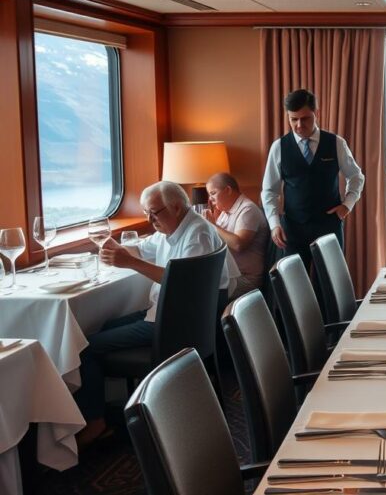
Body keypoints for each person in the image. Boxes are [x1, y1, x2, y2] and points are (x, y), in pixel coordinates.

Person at [74, 181, 238, 446]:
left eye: (154, 213)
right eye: (146, 213)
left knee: (86, 347)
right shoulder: (172, 229)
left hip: (176, 325)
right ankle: (128, 405)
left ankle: (96, 421)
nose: (150, 220)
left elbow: (181, 280)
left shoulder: (197, 234)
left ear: (176, 207)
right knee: (105, 327)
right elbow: (143, 248)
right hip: (171, 315)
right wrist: (115, 248)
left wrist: (130, 262)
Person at [261, 88, 365, 268]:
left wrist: (347, 205)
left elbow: (356, 177)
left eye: (305, 118)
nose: (299, 125)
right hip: (293, 230)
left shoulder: (336, 143)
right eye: (293, 119)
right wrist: (274, 224)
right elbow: (269, 190)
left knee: (331, 281)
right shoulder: (279, 147)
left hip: (329, 227)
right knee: (295, 282)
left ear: (316, 114)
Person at [203, 172, 269, 298]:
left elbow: (239, 244)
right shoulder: (225, 212)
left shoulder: (247, 209)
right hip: (229, 274)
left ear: (228, 190)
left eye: (213, 193)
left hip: (244, 279)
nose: (210, 199)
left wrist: (213, 225)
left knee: (202, 293)